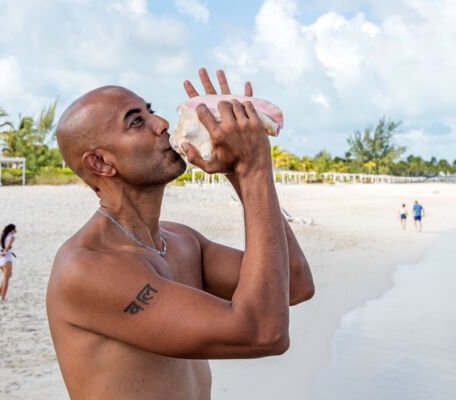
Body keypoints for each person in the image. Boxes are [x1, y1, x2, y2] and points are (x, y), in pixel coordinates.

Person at [46, 68, 314, 399]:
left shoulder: (181, 242)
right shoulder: (88, 268)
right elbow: (264, 333)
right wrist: (254, 169)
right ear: (100, 163)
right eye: (136, 122)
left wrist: (235, 172)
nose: (160, 123)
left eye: (150, 110)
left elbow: (296, 283)